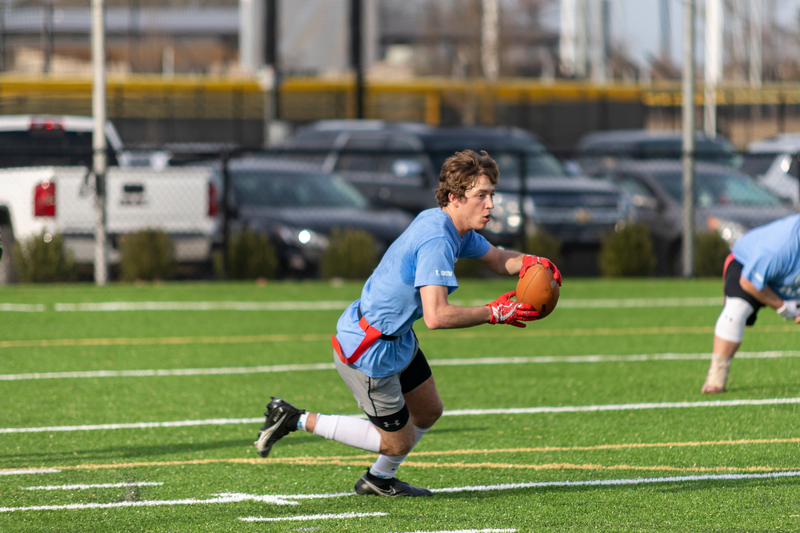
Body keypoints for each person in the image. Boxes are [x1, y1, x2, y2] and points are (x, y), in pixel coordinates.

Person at [254, 149, 562, 496]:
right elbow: (437, 316)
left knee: (429, 411)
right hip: (370, 349)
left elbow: (495, 258)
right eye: (481, 196)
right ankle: (293, 418)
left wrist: (533, 262)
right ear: (454, 198)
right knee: (397, 443)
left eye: (492, 194)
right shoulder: (437, 240)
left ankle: (378, 480)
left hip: (395, 337)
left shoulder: (449, 224)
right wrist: (495, 313)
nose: (491, 204)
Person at [701, 213, 800, 393]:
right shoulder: (778, 248)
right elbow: (748, 282)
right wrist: (783, 307)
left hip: (790, 282)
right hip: (746, 268)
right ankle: (717, 373)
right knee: (736, 311)